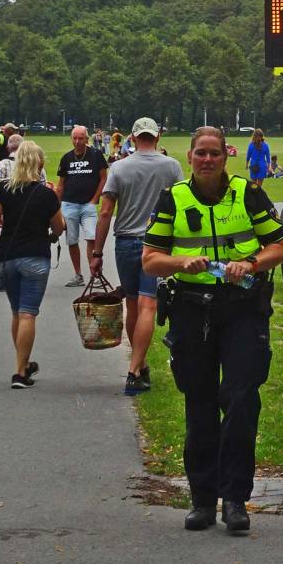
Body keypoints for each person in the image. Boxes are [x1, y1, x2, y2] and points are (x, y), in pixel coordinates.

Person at [142, 127, 283, 533]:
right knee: (199, 403)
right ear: (189, 157)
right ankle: (203, 500)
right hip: (192, 309)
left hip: (242, 308)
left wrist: (253, 263)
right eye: (201, 154)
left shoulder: (248, 194)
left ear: (227, 156)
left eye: (215, 154)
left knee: (241, 398)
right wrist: (181, 262)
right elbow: (150, 259)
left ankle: (236, 499)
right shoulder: (174, 198)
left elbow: (281, 245)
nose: (208, 160)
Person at [89, 118, 183, 396]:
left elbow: (105, 213)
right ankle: (135, 369)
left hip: (127, 243)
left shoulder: (118, 168)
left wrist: (96, 252)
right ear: (157, 136)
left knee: (133, 305)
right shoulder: (172, 166)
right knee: (148, 306)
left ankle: (139, 367)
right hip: (157, 243)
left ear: (132, 137)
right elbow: (181, 205)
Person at [0, 141, 65, 388]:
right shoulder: (47, 194)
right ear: (40, 163)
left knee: (16, 312)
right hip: (35, 256)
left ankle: (23, 364)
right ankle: (20, 373)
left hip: (8, 256)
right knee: (28, 313)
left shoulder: (2, 189)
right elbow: (58, 227)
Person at [56, 124, 108, 286]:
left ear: (87, 139)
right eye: (75, 138)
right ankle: (78, 275)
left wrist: (94, 199)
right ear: (71, 139)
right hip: (69, 204)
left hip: (88, 205)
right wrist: (56, 207)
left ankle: (96, 275)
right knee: (72, 240)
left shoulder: (96, 155)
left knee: (91, 237)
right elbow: (61, 184)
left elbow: (103, 178)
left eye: (81, 138)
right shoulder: (66, 158)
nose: (78, 141)